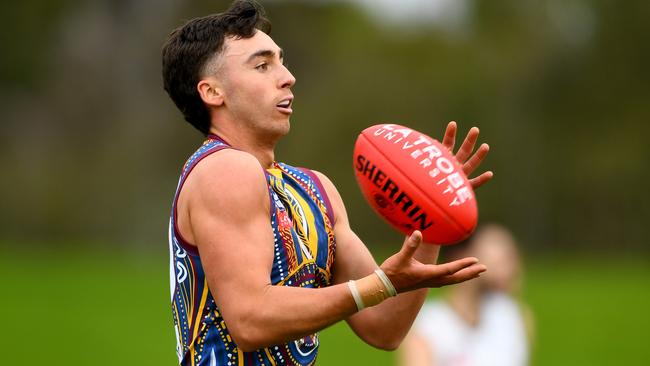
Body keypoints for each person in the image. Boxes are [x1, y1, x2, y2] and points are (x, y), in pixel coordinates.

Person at [161, 1, 493, 365]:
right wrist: (380, 285)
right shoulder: (223, 169)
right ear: (212, 92)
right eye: (262, 65)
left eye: (281, 60)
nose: (287, 76)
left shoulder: (316, 189)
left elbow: (385, 328)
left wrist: (429, 216)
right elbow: (249, 319)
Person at [399, 224, 533, 366]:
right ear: (461, 255)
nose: (512, 266)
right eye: (502, 256)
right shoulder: (426, 325)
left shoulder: (515, 317)